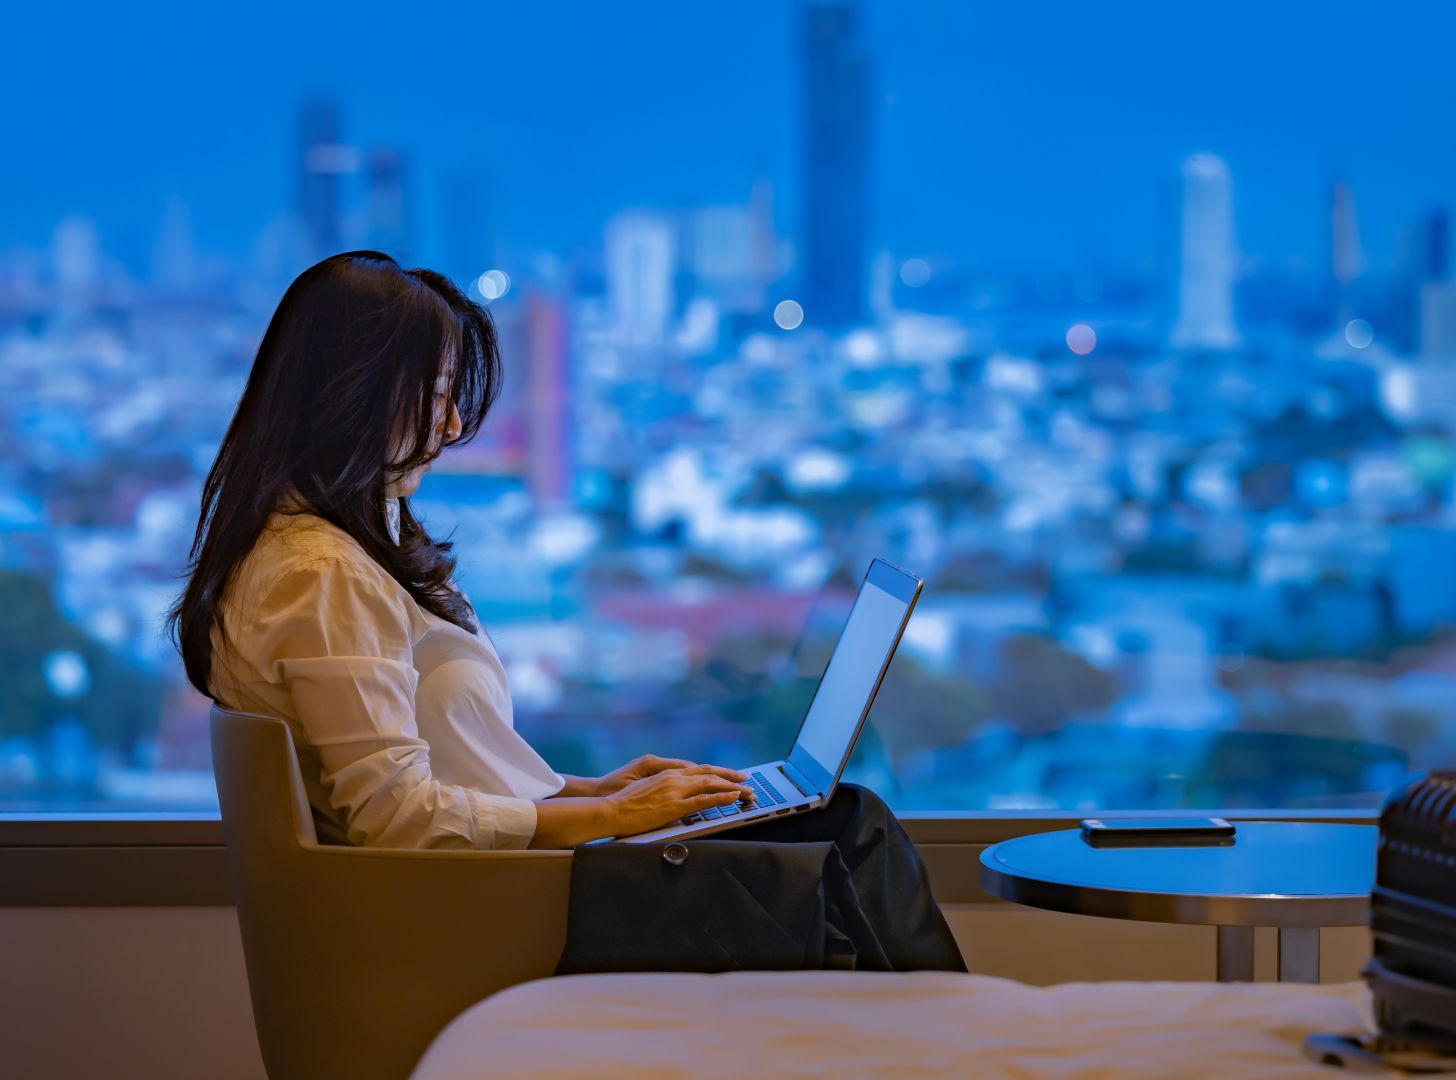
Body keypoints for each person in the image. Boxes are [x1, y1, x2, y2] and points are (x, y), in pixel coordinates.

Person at [168, 252, 961, 969]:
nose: (450, 428)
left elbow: (429, 774)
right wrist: (609, 814)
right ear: (355, 395)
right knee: (848, 835)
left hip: (513, 882)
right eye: (437, 397)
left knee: (832, 824)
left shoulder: (333, 545)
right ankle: (967, 1049)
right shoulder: (318, 574)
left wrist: (589, 794)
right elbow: (395, 818)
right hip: (504, 910)